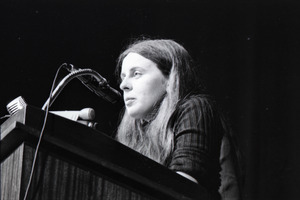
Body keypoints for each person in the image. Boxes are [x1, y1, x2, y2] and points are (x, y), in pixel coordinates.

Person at [114, 38, 242, 199]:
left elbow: (182, 186)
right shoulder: (140, 129)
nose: (123, 85)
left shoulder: (196, 107)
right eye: (123, 77)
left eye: (136, 73)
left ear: (169, 79)